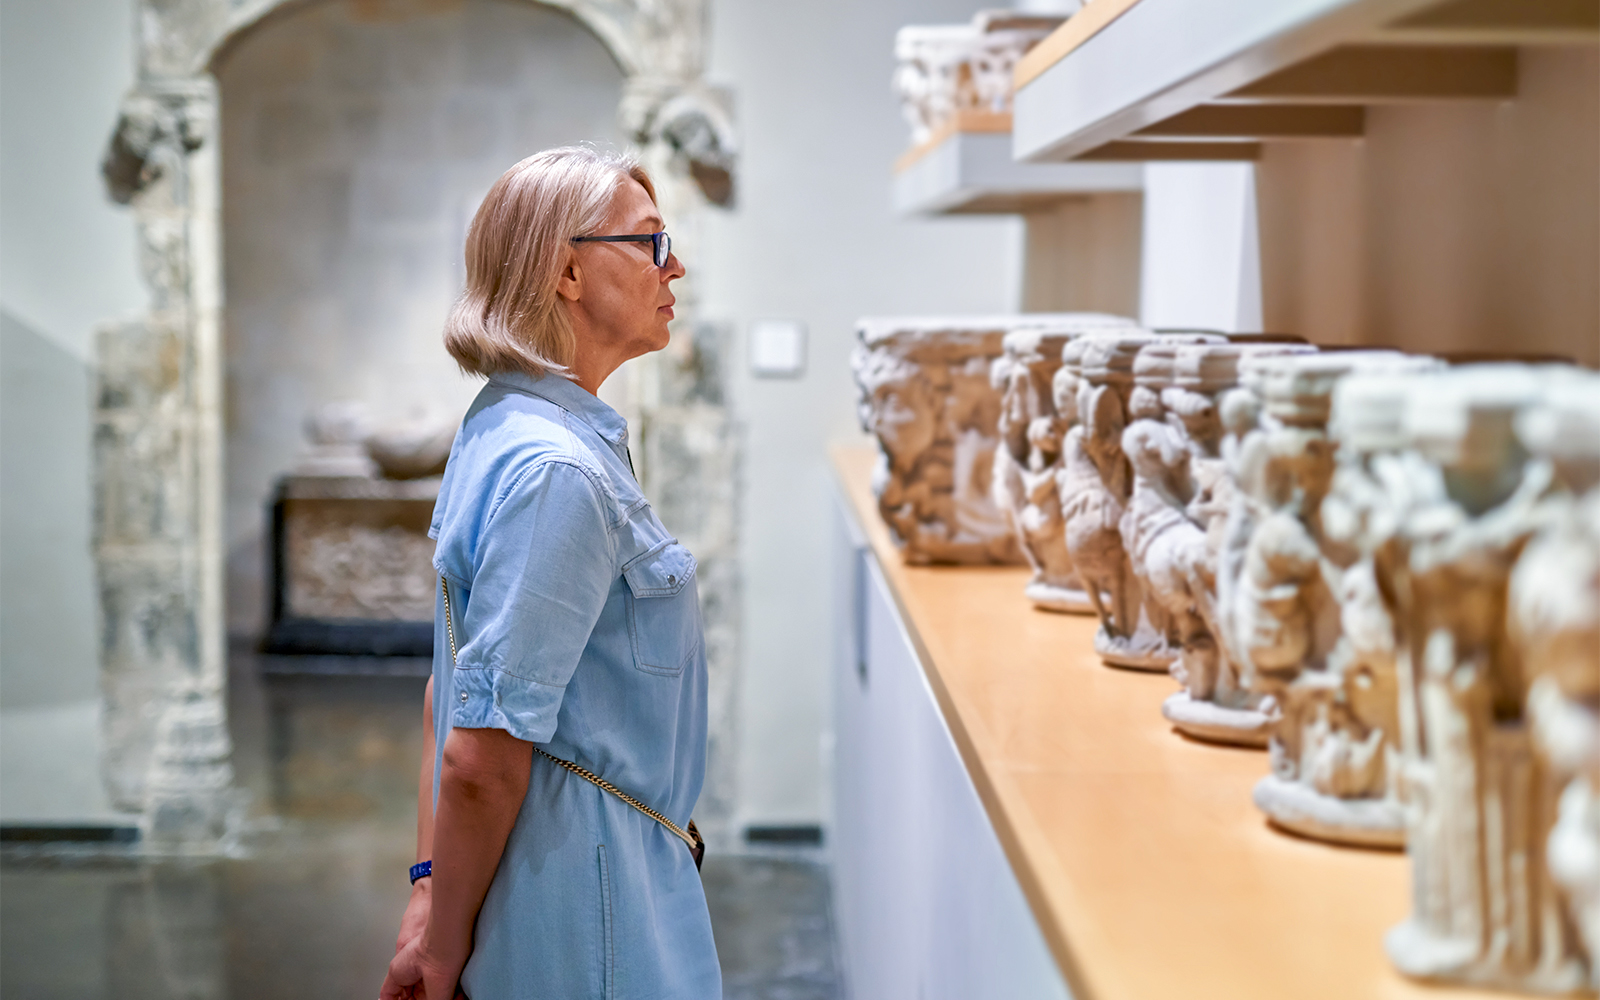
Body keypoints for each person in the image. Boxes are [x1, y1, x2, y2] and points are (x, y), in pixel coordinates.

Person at [380, 146, 719, 1000]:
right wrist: (441, 947)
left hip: (588, 871)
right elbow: (479, 753)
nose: (673, 264)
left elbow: (444, 694)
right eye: (649, 241)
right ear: (566, 270)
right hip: (579, 895)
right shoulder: (558, 471)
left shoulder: (505, 423)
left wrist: (429, 887)